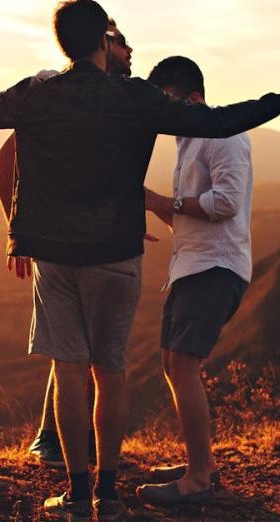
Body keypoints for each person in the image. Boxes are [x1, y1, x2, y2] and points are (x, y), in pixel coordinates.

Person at [0, 0, 280, 518]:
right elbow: (221, 121)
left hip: (56, 255)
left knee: (69, 373)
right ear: (104, 40)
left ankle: (78, 491)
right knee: (111, 372)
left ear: (64, 41)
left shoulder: (39, 94)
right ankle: (108, 494)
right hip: (117, 253)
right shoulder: (135, 97)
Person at [0, 17, 132, 468]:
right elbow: (5, 157)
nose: (131, 53)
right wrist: (19, 230)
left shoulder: (112, 101)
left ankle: (71, 447)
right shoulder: (54, 89)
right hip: (58, 242)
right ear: (102, 44)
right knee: (71, 351)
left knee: (81, 349)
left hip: (94, 240)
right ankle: (52, 440)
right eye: (122, 43)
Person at [135, 56, 252, 506]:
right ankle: (199, 462)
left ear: (194, 98)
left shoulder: (222, 136)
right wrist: (149, 205)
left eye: (167, 102)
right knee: (172, 363)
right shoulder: (188, 141)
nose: (162, 113)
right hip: (192, 265)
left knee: (183, 365)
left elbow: (224, 203)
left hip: (215, 268)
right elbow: (185, 209)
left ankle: (199, 479)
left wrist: (167, 201)